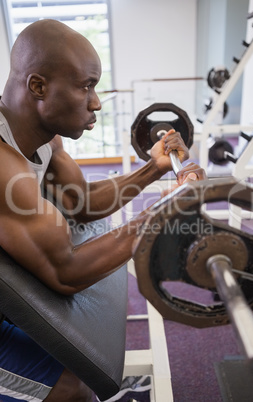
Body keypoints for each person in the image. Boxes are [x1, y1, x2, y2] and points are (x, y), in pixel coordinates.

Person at [0, 19, 206, 402]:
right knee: (73, 389)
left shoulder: (46, 140)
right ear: (38, 87)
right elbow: (67, 272)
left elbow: (84, 204)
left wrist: (154, 167)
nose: (96, 102)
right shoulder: (2, 164)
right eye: (86, 86)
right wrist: (171, 208)